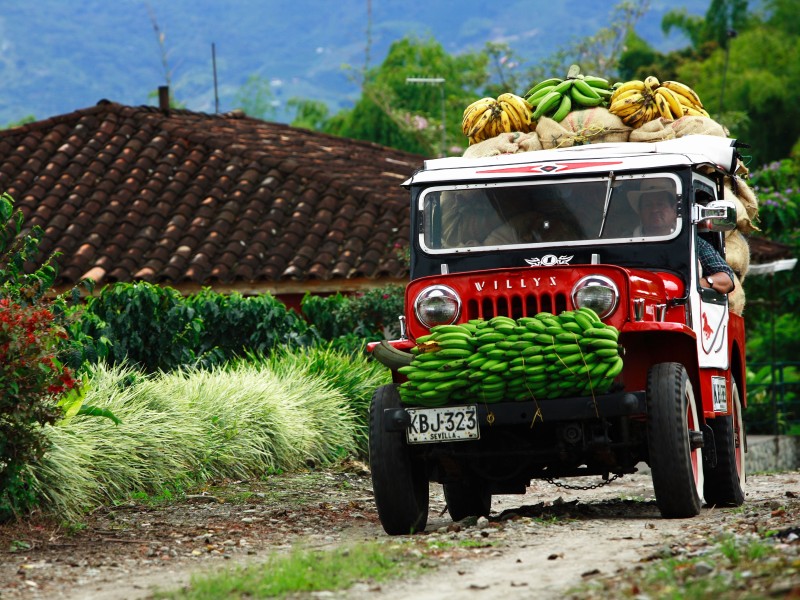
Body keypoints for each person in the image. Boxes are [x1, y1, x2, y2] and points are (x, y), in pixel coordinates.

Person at [635, 189, 735, 294]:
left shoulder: (693, 242)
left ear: (674, 211)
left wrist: (701, 283)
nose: (654, 210)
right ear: (640, 212)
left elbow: (727, 278)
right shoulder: (624, 242)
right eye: (648, 205)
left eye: (661, 204)